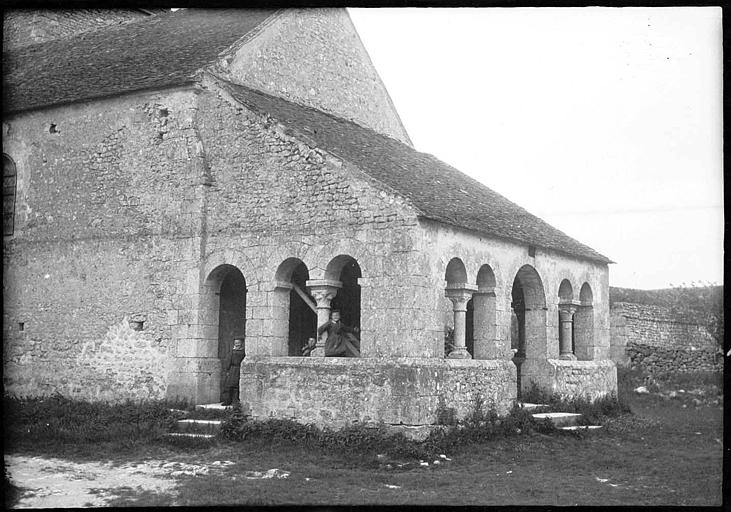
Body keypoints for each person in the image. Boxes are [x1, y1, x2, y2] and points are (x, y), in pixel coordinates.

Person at [221, 336, 245, 406]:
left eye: (238, 343)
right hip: (232, 369)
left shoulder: (243, 352)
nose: (237, 344)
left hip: (238, 369)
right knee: (228, 385)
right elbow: (228, 360)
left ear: (242, 343)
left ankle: (235, 401)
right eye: (236, 343)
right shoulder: (232, 352)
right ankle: (227, 400)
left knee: (236, 386)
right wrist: (227, 370)